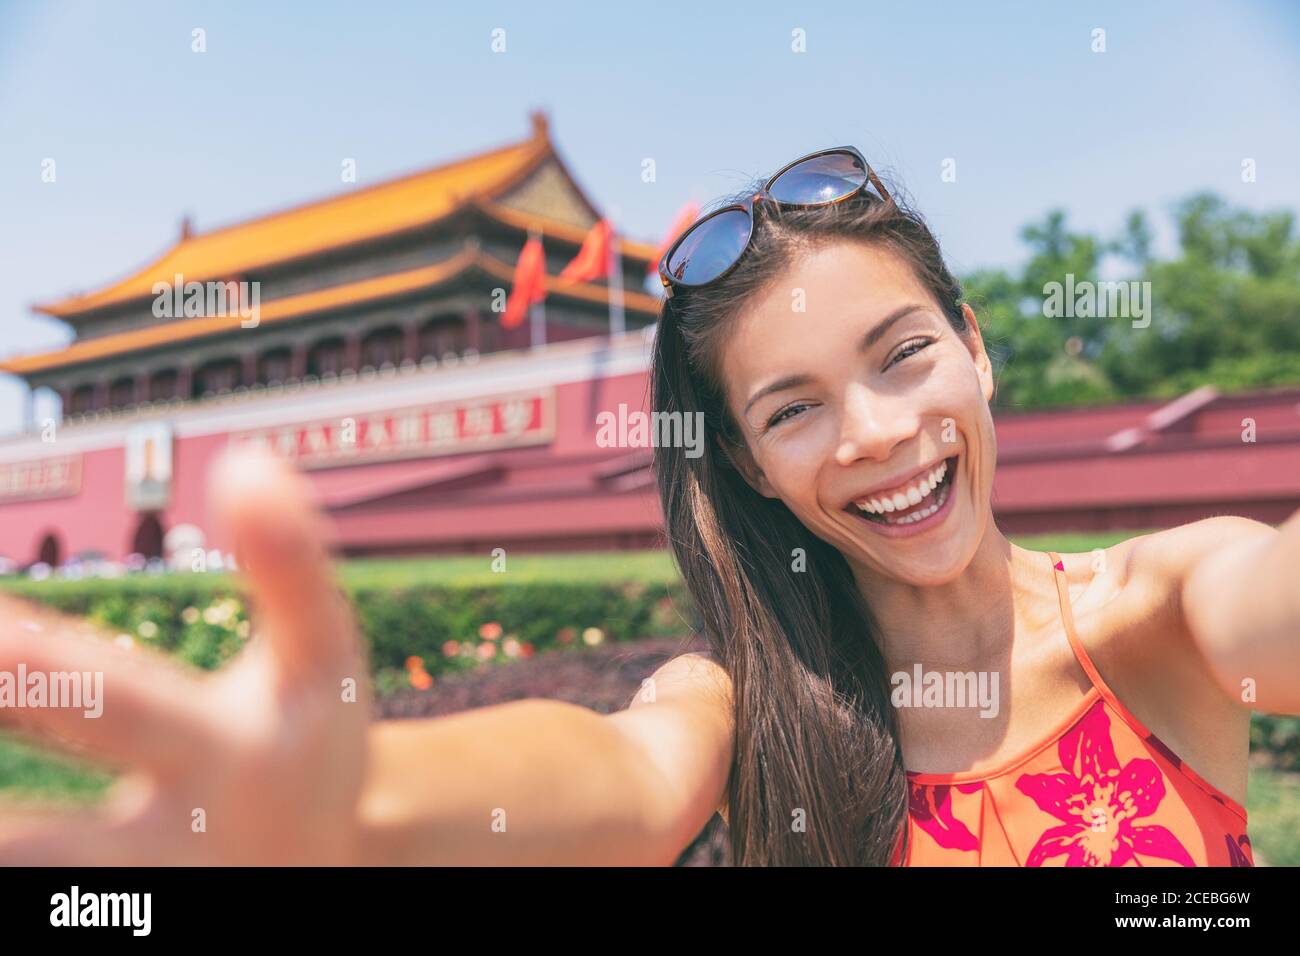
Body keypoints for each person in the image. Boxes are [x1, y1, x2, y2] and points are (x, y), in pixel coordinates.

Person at [1, 147, 1297, 866]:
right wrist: (354, 805)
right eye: (793, 409)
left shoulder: (1162, 620)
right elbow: (613, 777)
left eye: (904, 355)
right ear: (741, 461)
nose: (878, 434)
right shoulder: (746, 702)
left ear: (975, 345)